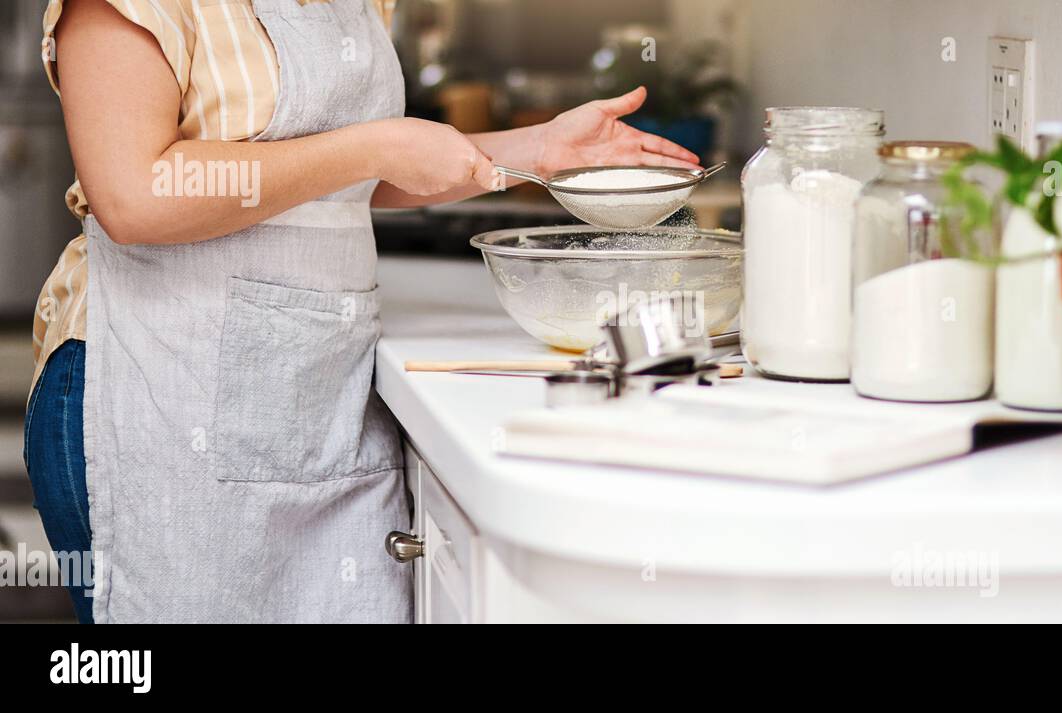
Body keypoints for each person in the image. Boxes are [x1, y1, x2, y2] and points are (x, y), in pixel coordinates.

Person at [25, 0, 699, 623]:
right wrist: (375, 144)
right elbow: (136, 195)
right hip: (155, 400)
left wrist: (538, 150)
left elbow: (336, 183)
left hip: (320, 404)